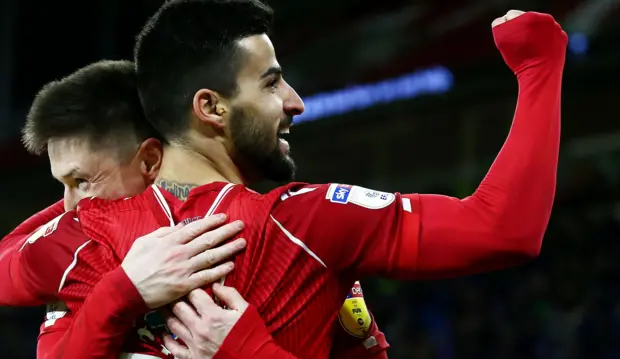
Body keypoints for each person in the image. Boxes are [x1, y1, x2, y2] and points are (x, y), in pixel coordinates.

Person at [42, 2, 566, 358]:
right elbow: (505, 228)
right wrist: (539, 66)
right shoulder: (307, 225)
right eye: (271, 84)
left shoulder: (79, 243)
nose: (295, 102)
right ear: (211, 107)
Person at [4, 60, 387, 358]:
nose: (69, 208)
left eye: (82, 181)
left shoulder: (286, 240)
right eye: (64, 186)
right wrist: (122, 293)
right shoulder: (79, 255)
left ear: (152, 160)